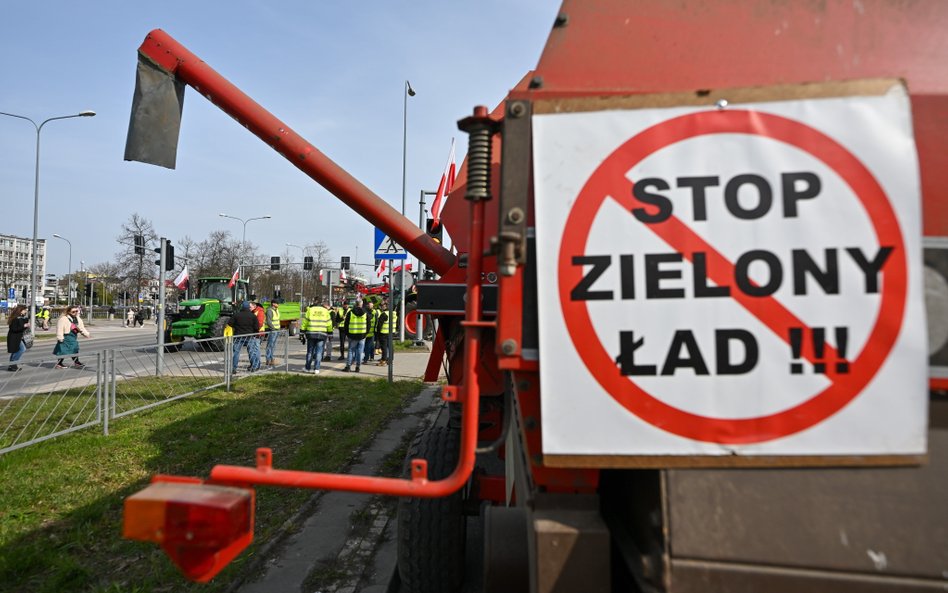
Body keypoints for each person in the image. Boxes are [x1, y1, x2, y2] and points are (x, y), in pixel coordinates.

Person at [227, 301, 260, 374]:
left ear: (242, 307)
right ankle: (254, 367)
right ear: (248, 307)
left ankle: (233, 369)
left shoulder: (236, 315)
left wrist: (236, 327)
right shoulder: (252, 316)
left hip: (238, 336)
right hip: (249, 336)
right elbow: (257, 327)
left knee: (236, 353)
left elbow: (230, 323)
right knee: (251, 352)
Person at [54, 305, 91, 369]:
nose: (75, 313)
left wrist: (86, 334)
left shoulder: (78, 319)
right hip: (66, 336)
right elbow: (59, 329)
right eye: (73, 311)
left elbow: (81, 328)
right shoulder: (63, 319)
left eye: (76, 311)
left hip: (73, 335)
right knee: (64, 350)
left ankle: (76, 362)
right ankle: (60, 363)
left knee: (74, 349)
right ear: (69, 312)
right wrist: (60, 337)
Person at [302, 299, 332, 374]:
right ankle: (316, 369)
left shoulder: (310, 310)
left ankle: (307, 368)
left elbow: (305, 322)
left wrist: (302, 331)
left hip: (311, 333)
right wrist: (330, 332)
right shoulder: (325, 311)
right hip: (322, 334)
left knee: (310, 352)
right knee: (319, 352)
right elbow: (329, 323)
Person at [342, 298, 369, 372]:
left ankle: (348, 367)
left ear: (355, 304)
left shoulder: (350, 312)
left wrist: (347, 334)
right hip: (362, 335)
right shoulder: (365, 313)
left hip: (352, 335)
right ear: (361, 304)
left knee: (351, 351)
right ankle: (358, 367)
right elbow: (368, 325)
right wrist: (366, 333)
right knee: (360, 352)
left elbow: (346, 324)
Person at [6, 304, 30, 372]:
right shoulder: (15, 318)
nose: (26, 311)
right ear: (20, 310)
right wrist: (24, 325)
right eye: (24, 310)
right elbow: (14, 328)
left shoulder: (21, 317)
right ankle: (13, 363)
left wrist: (26, 323)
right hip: (14, 337)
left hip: (18, 337)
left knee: (15, 350)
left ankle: (12, 365)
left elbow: (23, 325)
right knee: (22, 349)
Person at [376, 299, 398, 365]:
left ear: (386, 306)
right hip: (391, 332)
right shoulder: (394, 314)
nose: (381, 307)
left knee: (384, 347)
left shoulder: (384, 314)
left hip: (384, 333)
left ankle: (383, 360)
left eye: (382, 305)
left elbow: (379, 325)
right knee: (390, 346)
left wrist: (378, 333)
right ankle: (390, 360)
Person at [264, 300, 281, 366]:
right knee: (270, 345)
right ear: (273, 304)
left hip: (277, 330)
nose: (278, 304)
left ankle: (272, 358)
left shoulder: (276, 310)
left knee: (273, 345)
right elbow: (269, 321)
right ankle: (268, 359)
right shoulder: (269, 311)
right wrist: (273, 329)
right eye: (277, 303)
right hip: (273, 330)